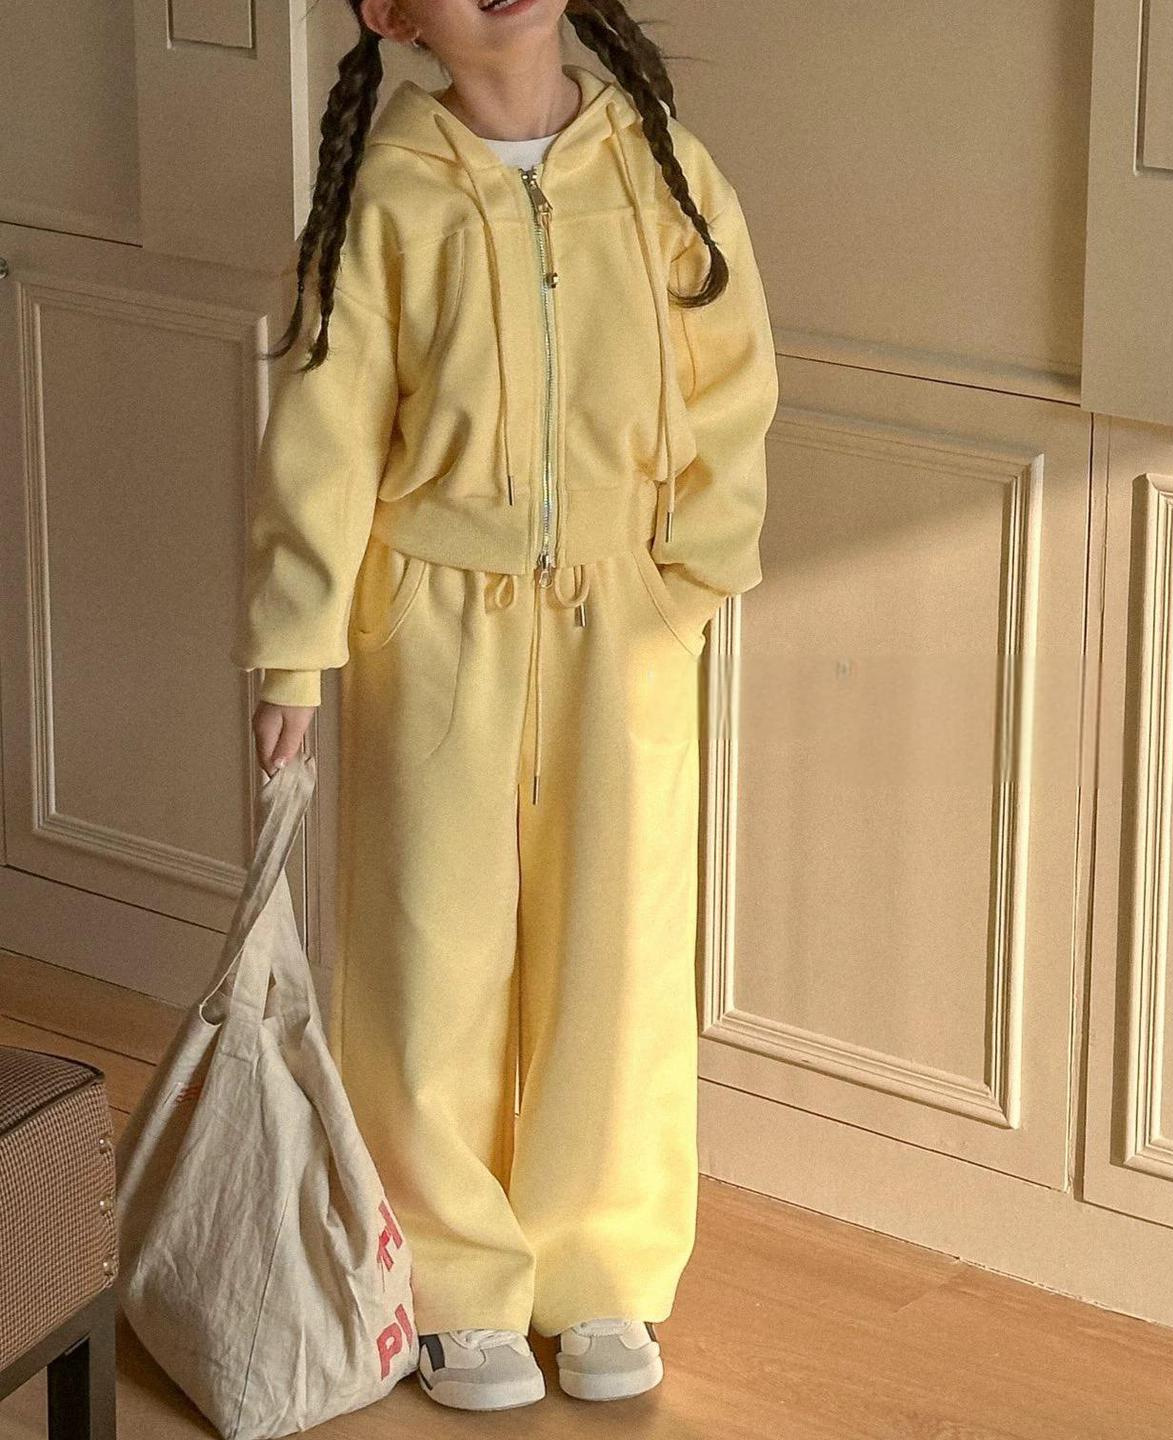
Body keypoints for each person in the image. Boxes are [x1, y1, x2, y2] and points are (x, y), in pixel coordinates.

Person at [230, 0, 779, 1414]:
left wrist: (690, 581)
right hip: (432, 618)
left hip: (624, 618)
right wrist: (295, 651)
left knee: (619, 944)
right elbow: (326, 433)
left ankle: (600, 1265)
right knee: (431, 953)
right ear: (389, 11)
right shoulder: (387, 195)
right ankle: (451, 1277)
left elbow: (732, 386)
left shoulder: (661, 169)